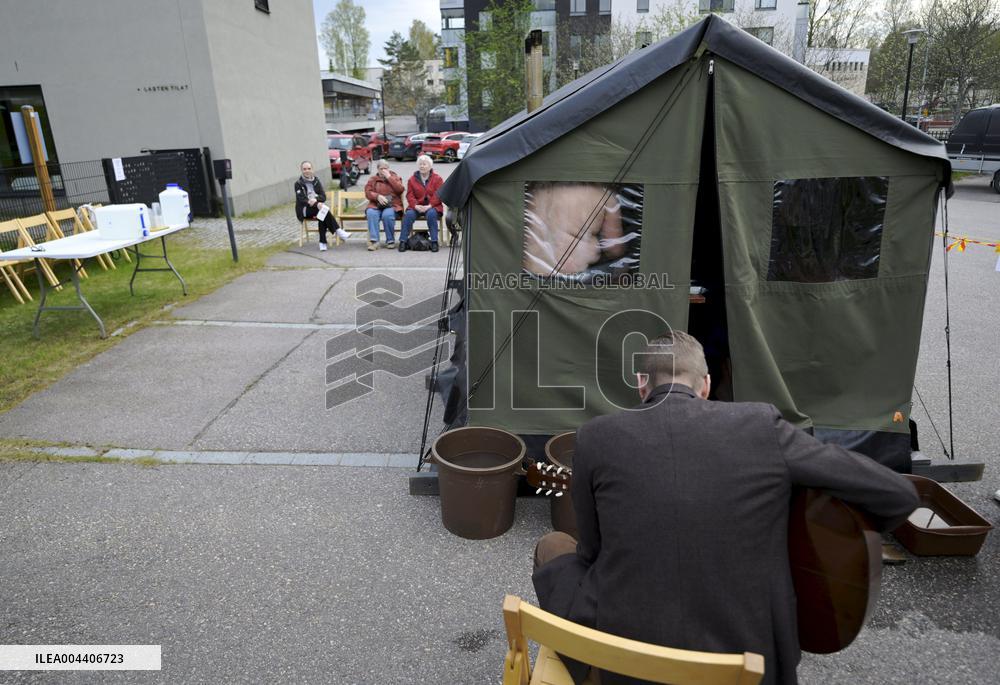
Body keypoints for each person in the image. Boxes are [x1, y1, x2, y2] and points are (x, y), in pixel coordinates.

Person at [532, 330, 918, 685]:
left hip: (627, 669)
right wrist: (815, 541)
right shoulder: (761, 425)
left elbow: (591, 553)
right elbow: (897, 494)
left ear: (641, 384)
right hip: (753, 668)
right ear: (705, 385)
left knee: (554, 547)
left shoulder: (596, 437)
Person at [294, 161, 350, 251]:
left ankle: (322, 242)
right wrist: (317, 204)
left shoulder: (316, 181)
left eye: (309, 168)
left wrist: (315, 199)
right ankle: (337, 231)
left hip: (317, 208)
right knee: (323, 210)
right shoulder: (298, 184)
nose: (307, 171)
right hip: (304, 210)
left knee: (322, 215)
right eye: (304, 169)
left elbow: (323, 196)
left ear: (312, 169)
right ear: (301, 170)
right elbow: (302, 199)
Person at [400, 154, 444, 253]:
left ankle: (434, 242)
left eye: (424, 164)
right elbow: (409, 195)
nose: (422, 166)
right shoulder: (412, 179)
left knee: (431, 214)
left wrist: (430, 206)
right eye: (420, 164)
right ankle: (403, 241)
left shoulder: (437, 179)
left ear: (430, 166)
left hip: (433, 206)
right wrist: (415, 206)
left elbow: (439, 195)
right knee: (408, 215)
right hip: (417, 206)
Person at [364, 159, 405, 251]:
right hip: (376, 204)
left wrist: (389, 178)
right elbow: (367, 192)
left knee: (387, 215)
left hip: (392, 205)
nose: (383, 170)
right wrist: (377, 196)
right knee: (371, 213)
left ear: (388, 168)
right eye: (381, 169)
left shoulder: (395, 177)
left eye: (385, 168)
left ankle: (390, 241)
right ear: (378, 169)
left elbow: (400, 190)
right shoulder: (373, 179)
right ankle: (375, 241)